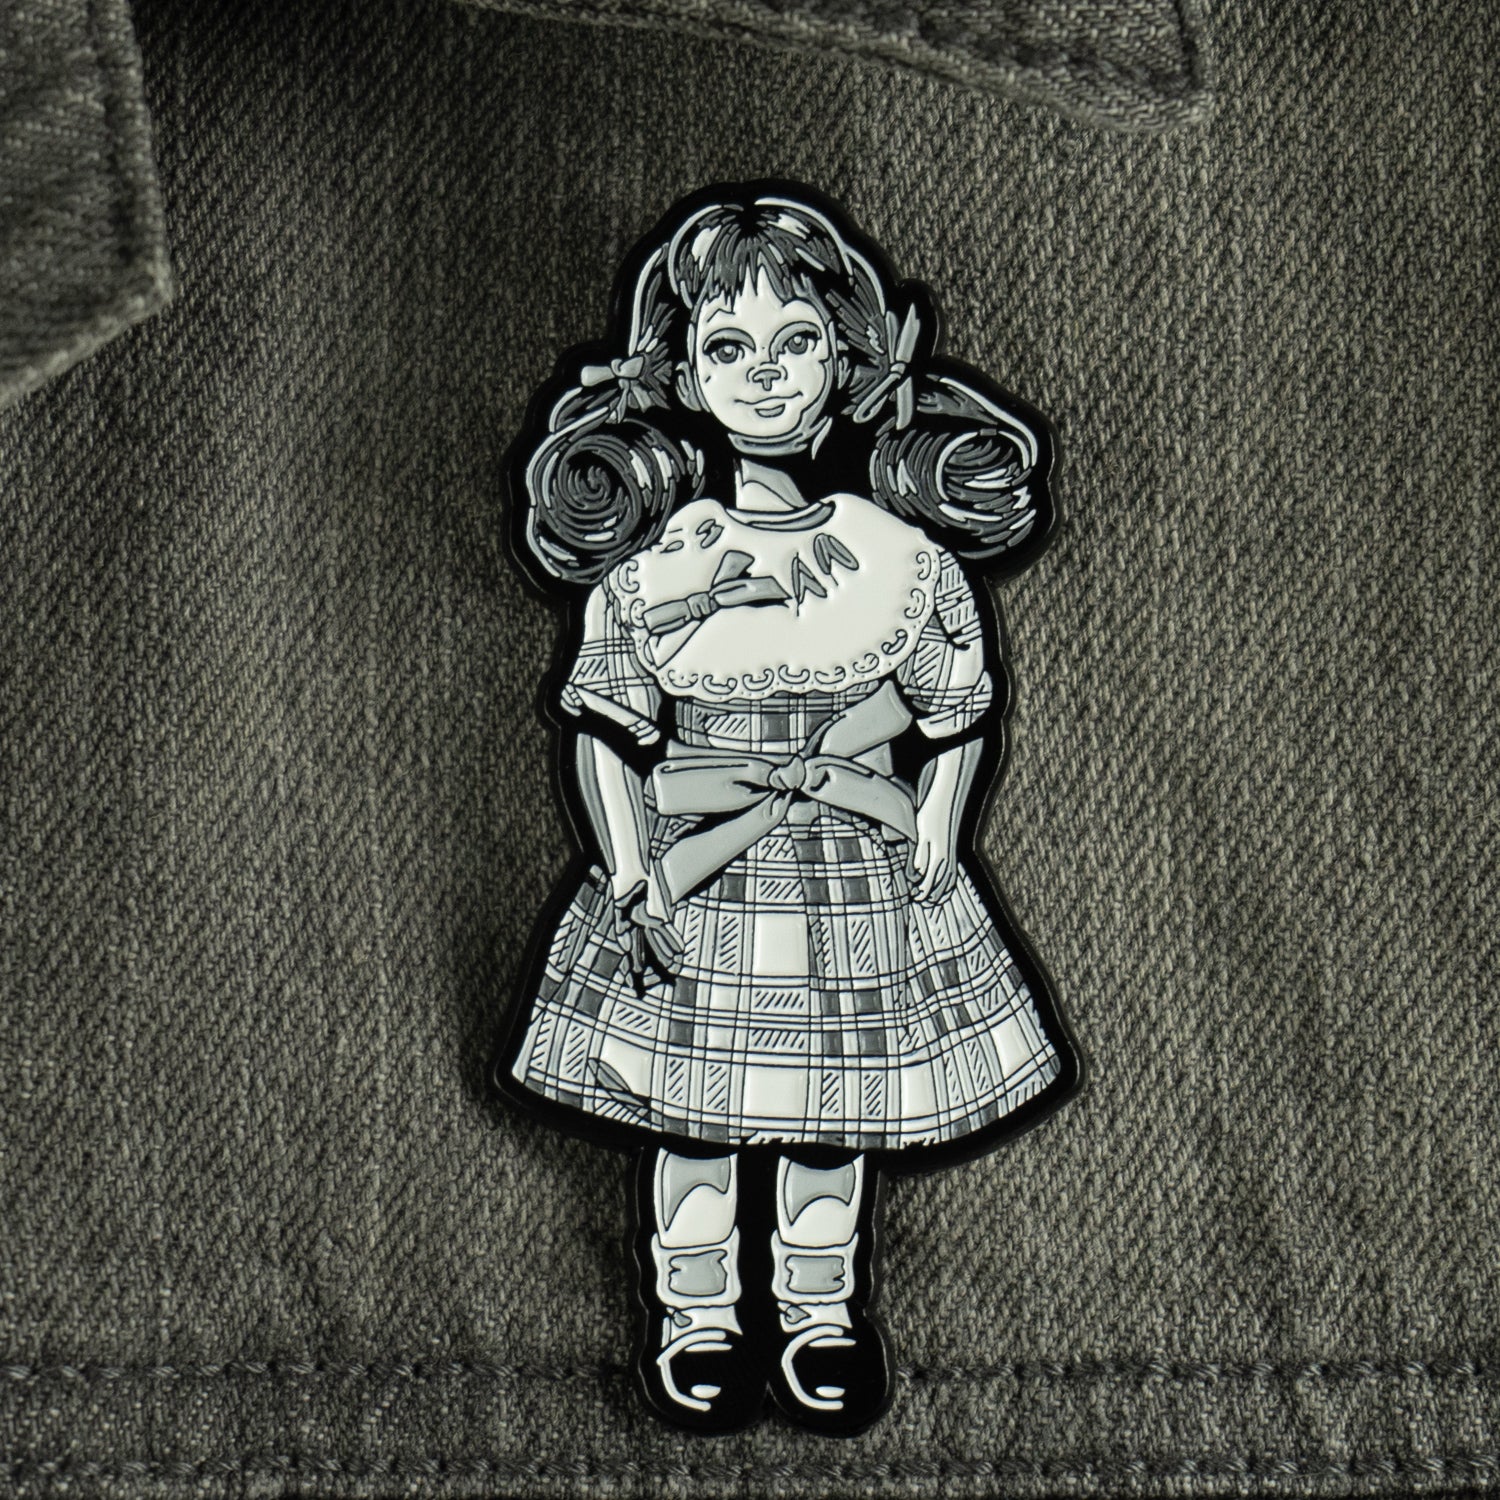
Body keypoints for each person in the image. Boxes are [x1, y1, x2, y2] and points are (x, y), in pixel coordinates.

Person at [495, 184, 1080, 1433]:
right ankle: (695, 1316)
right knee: (692, 1118)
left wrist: (936, 829)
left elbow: (955, 708)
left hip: (854, 873)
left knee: (829, 1118)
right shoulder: (658, 566)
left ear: (846, 359)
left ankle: (822, 1314)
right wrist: (630, 869)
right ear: (683, 376)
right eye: (728, 347)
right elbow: (604, 728)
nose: (765, 374)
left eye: (797, 341)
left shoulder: (899, 558)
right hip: (697, 871)